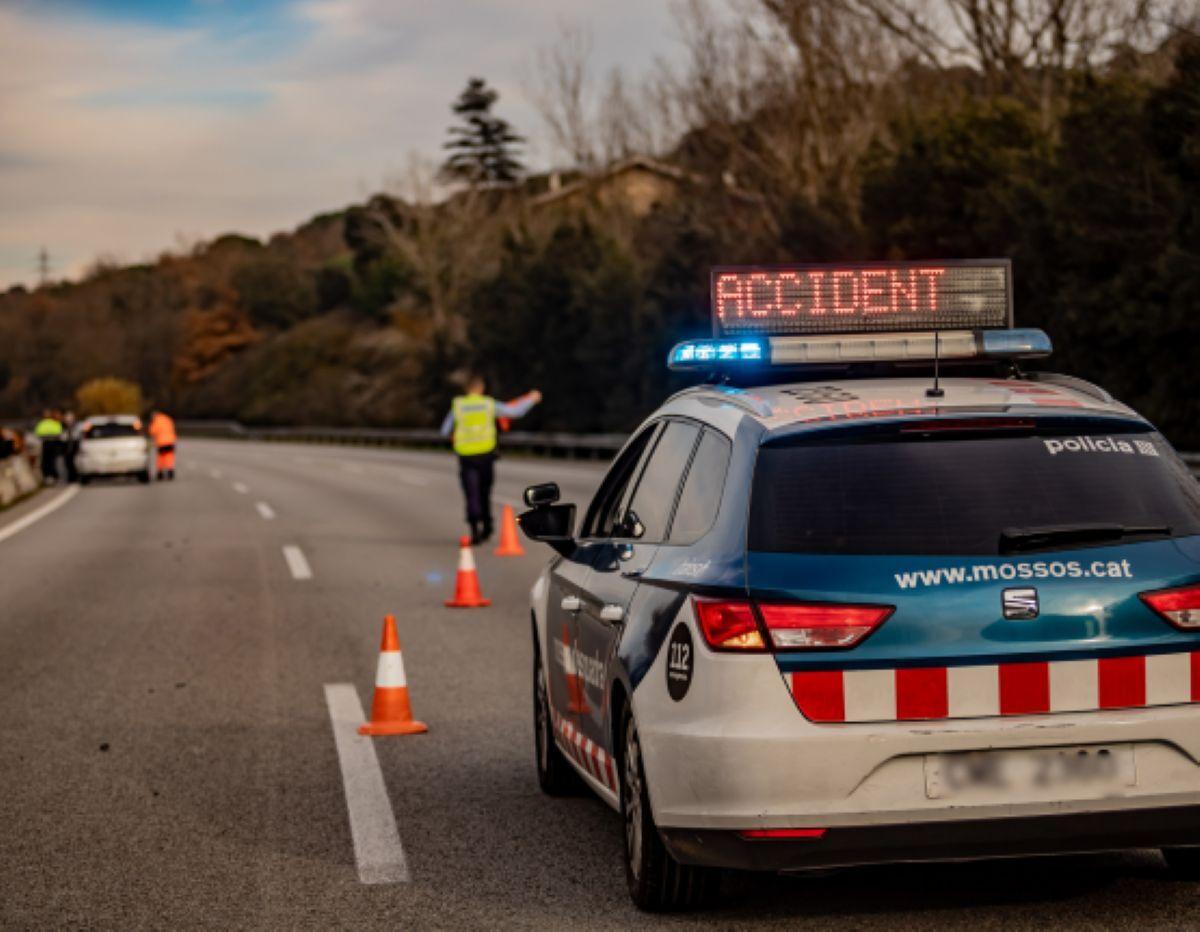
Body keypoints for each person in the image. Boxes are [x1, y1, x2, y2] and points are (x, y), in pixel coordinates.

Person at [440, 376, 542, 544]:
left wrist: (456, 437)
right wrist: (531, 399)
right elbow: (515, 412)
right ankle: (487, 526)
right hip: (486, 454)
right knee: (484, 492)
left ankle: (474, 530)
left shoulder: (458, 405)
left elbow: (444, 430)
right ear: (481, 389)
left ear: (467, 389)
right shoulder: (488, 404)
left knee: (471, 493)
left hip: (466, 456)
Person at [33, 409, 64, 484]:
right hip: (52, 444)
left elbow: (37, 434)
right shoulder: (54, 423)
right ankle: (53, 476)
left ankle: (49, 476)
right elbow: (60, 433)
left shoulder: (41, 424)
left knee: (46, 461)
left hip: (46, 443)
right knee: (51, 461)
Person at [147, 409, 177, 480]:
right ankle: (170, 471)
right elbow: (172, 428)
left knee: (161, 457)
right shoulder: (167, 419)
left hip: (161, 442)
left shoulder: (156, 421)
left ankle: (160, 473)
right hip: (170, 441)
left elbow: (152, 431)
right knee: (169, 456)